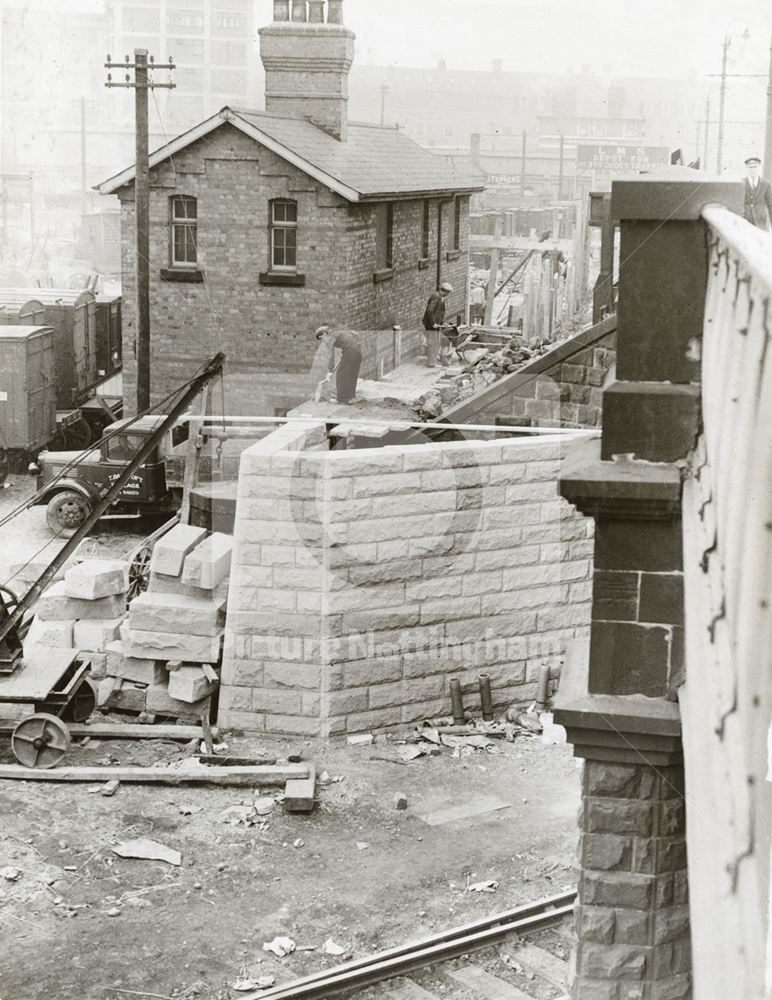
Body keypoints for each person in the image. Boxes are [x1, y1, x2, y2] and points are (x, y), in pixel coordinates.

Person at [315, 326, 362, 404]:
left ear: (324, 334)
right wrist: (349, 350)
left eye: (322, 339)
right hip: (358, 350)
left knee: (341, 374)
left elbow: (331, 355)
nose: (323, 341)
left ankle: (342, 399)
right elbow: (355, 334)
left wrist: (330, 370)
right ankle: (351, 397)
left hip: (350, 352)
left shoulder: (330, 337)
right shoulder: (338, 332)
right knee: (351, 374)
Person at [422, 282, 453, 367]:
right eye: (448, 293)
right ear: (445, 291)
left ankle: (433, 361)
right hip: (430, 324)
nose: (448, 295)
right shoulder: (436, 296)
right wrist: (433, 323)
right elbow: (430, 310)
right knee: (433, 343)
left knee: (435, 342)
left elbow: (440, 313)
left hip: (435, 323)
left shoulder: (440, 297)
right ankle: (431, 363)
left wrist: (443, 323)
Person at [742, 156, 772, 230]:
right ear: (746, 168)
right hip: (745, 221)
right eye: (750, 167)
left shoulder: (766, 184)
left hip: (760, 221)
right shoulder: (741, 183)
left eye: (755, 167)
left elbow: (770, 205)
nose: (752, 170)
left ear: (759, 168)